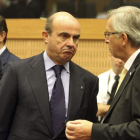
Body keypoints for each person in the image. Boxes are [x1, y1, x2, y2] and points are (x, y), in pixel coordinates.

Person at [0, 11, 98, 140]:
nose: (71, 43)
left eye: (75, 38)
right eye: (64, 36)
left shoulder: (88, 81)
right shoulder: (17, 71)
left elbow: (88, 131)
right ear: (46, 36)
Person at [66, 6, 140, 140]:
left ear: (123, 38)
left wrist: (93, 131)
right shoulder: (132, 69)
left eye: (108, 34)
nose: (106, 40)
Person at [97, 53, 124, 121]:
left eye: (122, 58)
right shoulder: (100, 79)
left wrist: (105, 108)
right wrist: (119, 109)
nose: (120, 61)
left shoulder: (132, 80)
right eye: (117, 57)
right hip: (100, 125)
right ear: (110, 56)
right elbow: (96, 109)